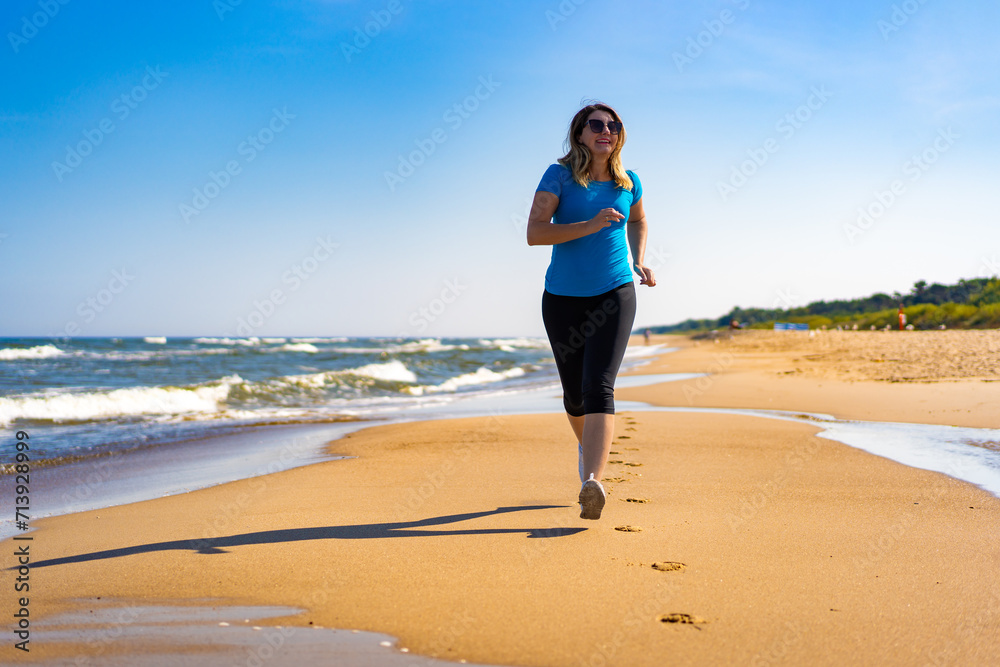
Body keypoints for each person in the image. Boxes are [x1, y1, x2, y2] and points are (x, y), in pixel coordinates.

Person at [526, 102, 656, 520]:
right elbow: (534, 233)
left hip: (614, 292)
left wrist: (638, 259)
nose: (607, 131)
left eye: (614, 125)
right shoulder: (558, 175)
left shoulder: (628, 180)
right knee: (575, 396)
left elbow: (638, 221)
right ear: (579, 133)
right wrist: (592, 224)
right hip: (562, 297)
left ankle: (593, 482)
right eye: (597, 124)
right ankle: (588, 449)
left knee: (600, 385)